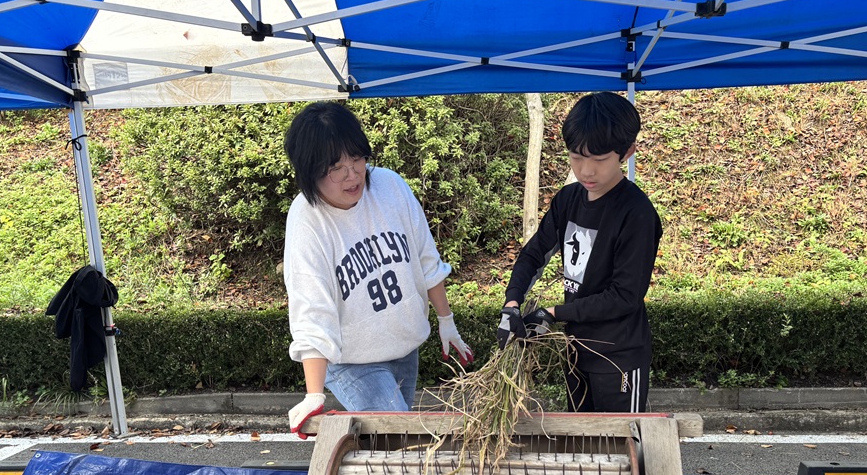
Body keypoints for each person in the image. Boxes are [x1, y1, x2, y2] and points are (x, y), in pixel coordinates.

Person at [283, 101, 473, 437]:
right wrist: (314, 393)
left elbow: (425, 256)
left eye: (357, 159)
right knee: (402, 440)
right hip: (353, 361)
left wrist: (446, 321)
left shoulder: (389, 186)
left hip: (404, 348)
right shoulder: (307, 220)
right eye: (335, 168)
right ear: (309, 173)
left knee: (390, 447)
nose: (352, 174)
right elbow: (312, 309)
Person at [496, 91, 662, 413]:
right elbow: (534, 254)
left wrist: (554, 313)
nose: (586, 171)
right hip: (575, 352)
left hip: (619, 358)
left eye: (599, 160)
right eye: (576, 157)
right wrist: (513, 302)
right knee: (582, 447)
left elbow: (624, 295)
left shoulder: (637, 213)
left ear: (627, 152)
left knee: (620, 450)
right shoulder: (568, 200)